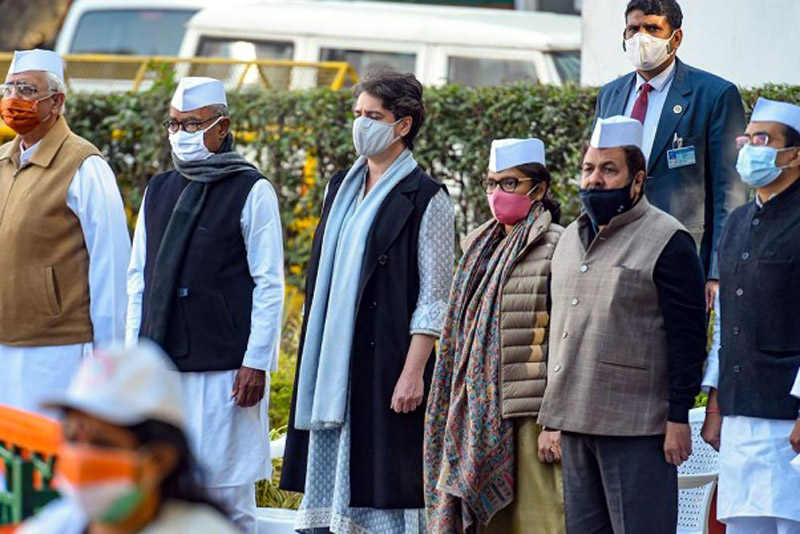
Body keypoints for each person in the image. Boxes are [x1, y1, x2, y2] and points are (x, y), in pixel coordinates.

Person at [280, 69, 454, 533]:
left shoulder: (427, 198)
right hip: (333, 367)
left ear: (404, 124)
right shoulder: (340, 188)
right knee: (332, 494)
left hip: (385, 367)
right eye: (357, 113)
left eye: (373, 115)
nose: (361, 123)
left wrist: (413, 372)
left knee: (379, 490)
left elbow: (436, 297)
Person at [125, 77, 284, 532]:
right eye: (174, 123)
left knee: (227, 492)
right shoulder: (158, 190)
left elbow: (269, 282)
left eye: (191, 124)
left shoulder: (251, 189)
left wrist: (256, 362)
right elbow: (139, 279)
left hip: (226, 371)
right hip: (163, 366)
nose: (180, 133)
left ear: (221, 127)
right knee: (167, 485)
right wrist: (134, 358)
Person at [537, 116, 707, 534]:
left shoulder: (669, 239)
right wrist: (552, 418)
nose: (594, 180)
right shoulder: (569, 239)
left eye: (608, 169)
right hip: (575, 422)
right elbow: (555, 328)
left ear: (637, 180)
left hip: (638, 428)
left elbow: (688, 337)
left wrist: (678, 416)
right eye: (588, 169)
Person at [425, 138, 564, 534]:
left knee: (539, 521)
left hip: (528, 411)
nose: (497, 194)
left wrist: (553, 418)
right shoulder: (477, 246)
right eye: (490, 184)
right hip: (477, 412)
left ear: (538, 189)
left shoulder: (557, 244)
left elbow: (563, 337)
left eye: (509, 183)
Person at [0, 49, 130, 416]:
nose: (13, 100)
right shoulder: (3, 162)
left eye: (26, 89)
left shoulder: (84, 166)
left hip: (57, 348)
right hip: (3, 342)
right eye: (8, 89)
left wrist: (109, 359)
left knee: (49, 457)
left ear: (55, 101)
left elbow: (111, 266)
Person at [594, 0, 747, 310]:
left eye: (652, 28)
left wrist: (717, 272)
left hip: (681, 255)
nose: (641, 37)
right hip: (615, 252)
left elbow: (730, 191)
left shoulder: (714, 94)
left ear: (675, 38)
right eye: (633, 29)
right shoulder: (610, 94)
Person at [700, 97, 800, 534]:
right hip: (740, 418)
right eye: (748, 138)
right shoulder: (738, 221)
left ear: (794, 154)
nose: (750, 148)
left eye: (764, 139)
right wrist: (715, 402)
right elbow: (726, 319)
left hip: (788, 419)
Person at [19, 342, 239, 534]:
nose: (81, 458)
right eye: (72, 439)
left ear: (160, 459)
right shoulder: (50, 526)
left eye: (101, 444)